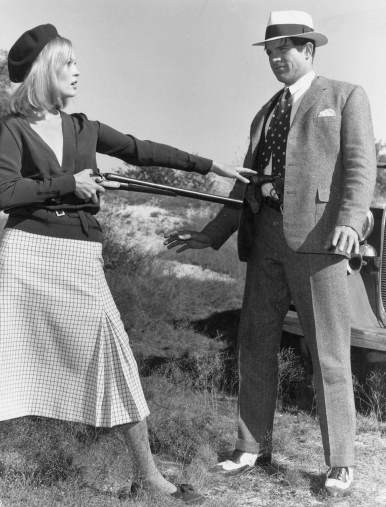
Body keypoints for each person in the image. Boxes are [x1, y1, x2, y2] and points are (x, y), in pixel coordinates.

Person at [0, 23, 254, 503]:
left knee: (115, 357)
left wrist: (211, 166)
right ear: (45, 69)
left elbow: (141, 148)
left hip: (79, 255)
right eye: (68, 63)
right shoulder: (12, 127)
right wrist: (69, 183)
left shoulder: (82, 126)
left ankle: (149, 476)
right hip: (26, 255)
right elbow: (3, 194)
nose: (77, 71)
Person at [165, 10, 376, 498]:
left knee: (328, 354)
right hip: (265, 244)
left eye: (286, 49)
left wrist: (348, 222)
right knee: (255, 345)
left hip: (322, 244)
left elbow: (360, 169)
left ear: (309, 50)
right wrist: (211, 235)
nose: (277, 58)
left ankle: (341, 462)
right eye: (270, 51)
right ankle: (250, 447)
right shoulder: (265, 112)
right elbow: (246, 188)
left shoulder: (345, 96)